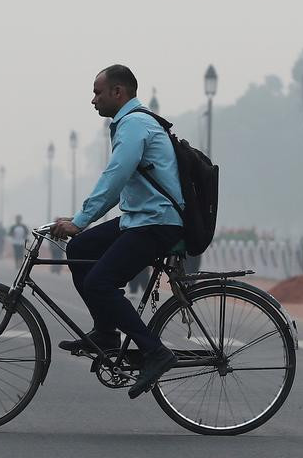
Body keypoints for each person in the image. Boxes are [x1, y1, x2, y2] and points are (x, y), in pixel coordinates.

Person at [50, 64, 185, 399]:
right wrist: (80, 225)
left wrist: (81, 219)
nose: (93, 100)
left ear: (118, 92)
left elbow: (116, 176)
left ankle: (155, 351)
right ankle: (106, 332)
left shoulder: (134, 124)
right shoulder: (129, 123)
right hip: (139, 218)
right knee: (81, 249)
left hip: (157, 222)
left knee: (99, 281)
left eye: (98, 92)